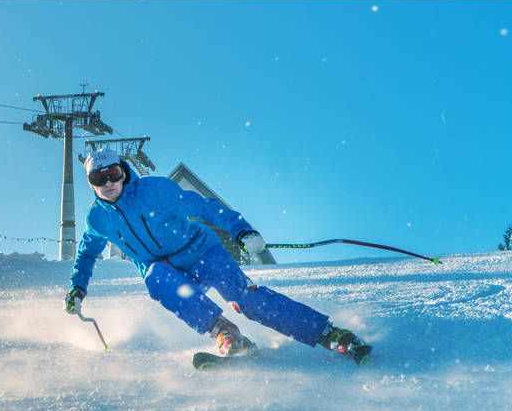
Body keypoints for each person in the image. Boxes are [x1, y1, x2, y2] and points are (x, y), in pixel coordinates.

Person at [64, 148, 370, 362]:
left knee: (245, 299)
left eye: (113, 174)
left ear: (123, 172)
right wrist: (78, 287)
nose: (108, 184)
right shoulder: (98, 219)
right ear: (91, 183)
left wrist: (242, 231)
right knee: (155, 278)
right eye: (98, 179)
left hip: (201, 252)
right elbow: (86, 254)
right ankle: (225, 334)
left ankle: (329, 334)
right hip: (167, 271)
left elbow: (207, 208)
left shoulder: (155, 191)